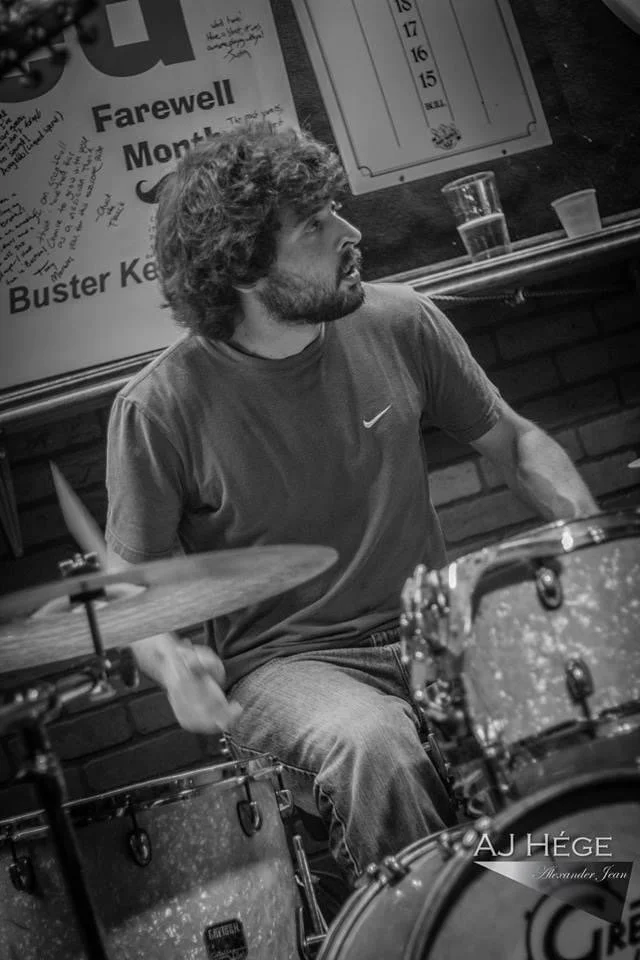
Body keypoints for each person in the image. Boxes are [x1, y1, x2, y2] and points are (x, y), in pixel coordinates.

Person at [105, 122, 598, 885]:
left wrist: (590, 545)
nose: (351, 231)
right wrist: (173, 665)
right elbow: (130, 584)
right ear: (243, 265)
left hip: (431, 631)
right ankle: (446, 932)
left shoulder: (400, 321)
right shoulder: (160, 406)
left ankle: (579, 913)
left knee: (567, 702)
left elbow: (514, 441)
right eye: (315, 224)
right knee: (377, 748)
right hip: (287, 667)